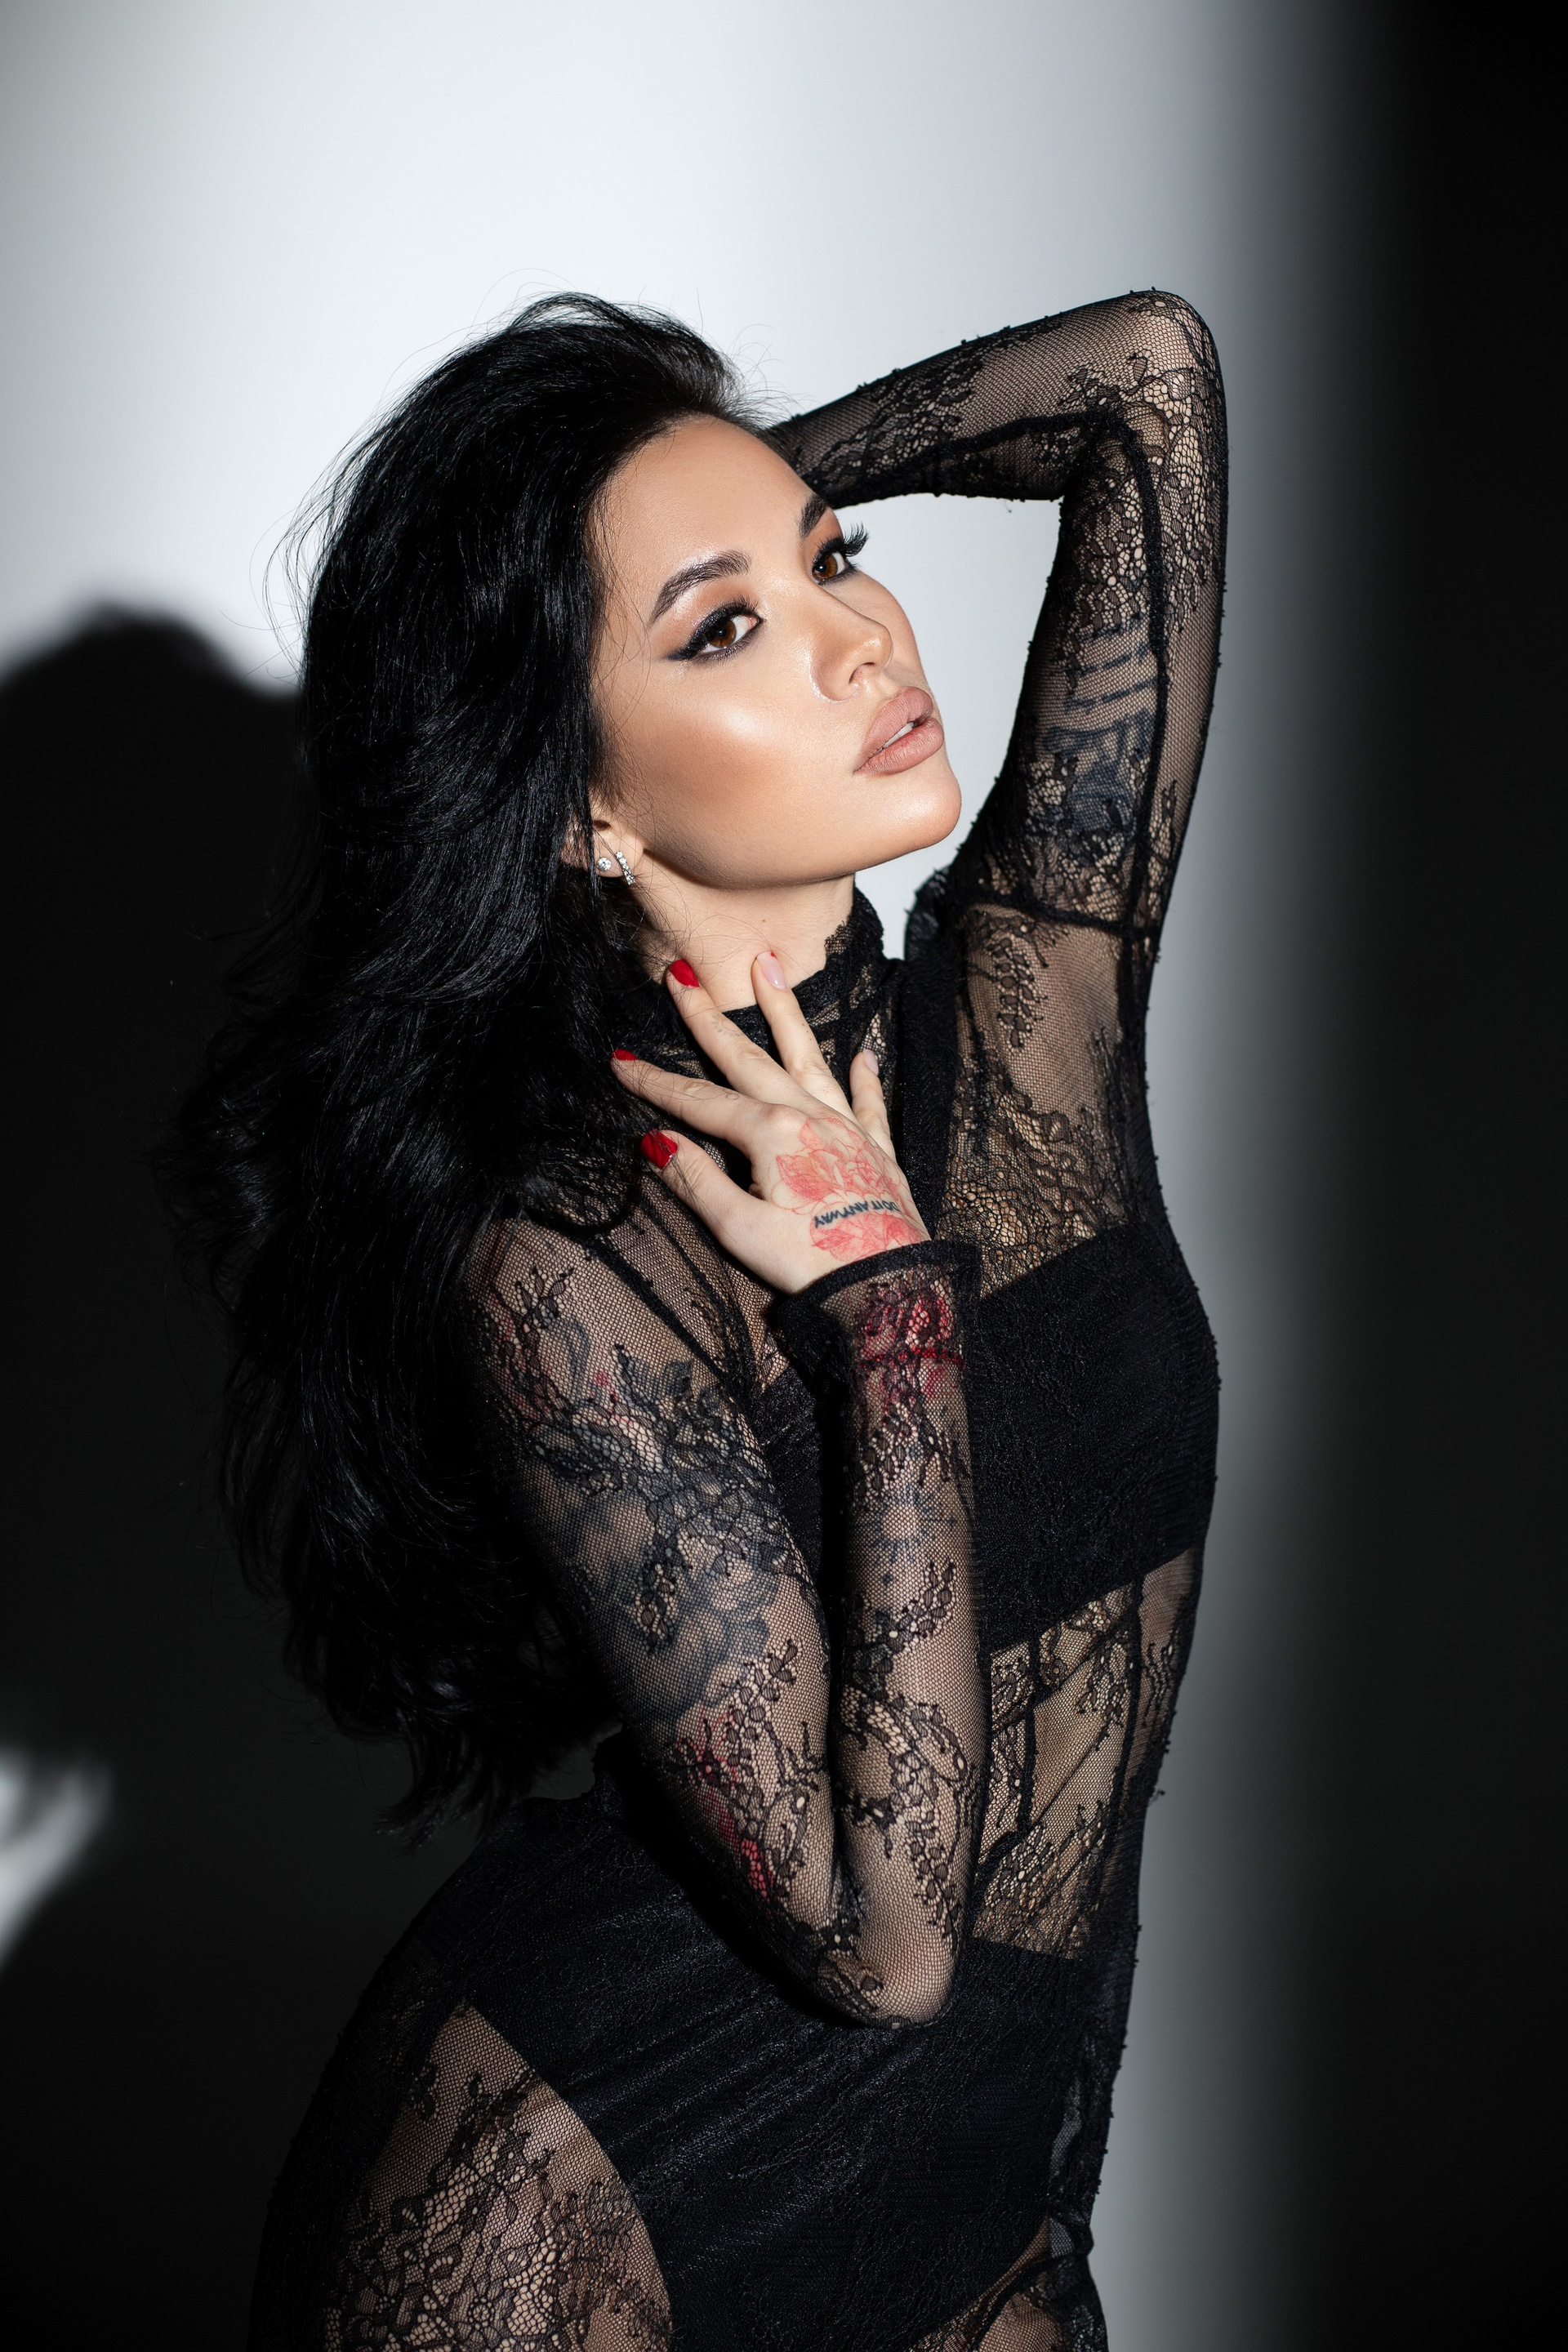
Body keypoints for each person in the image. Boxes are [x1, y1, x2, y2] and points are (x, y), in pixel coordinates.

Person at [167, 287, 1226, 2350]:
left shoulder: (1040, 1001)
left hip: (987, 2187)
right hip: (585, 2219)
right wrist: (887, 1310)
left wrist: (723, 488)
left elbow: (1147, 382)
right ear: (586, 809)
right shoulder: (566, 1253)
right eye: (724, 630)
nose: (861, 639)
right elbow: (884, 1943)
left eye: (837, 562)